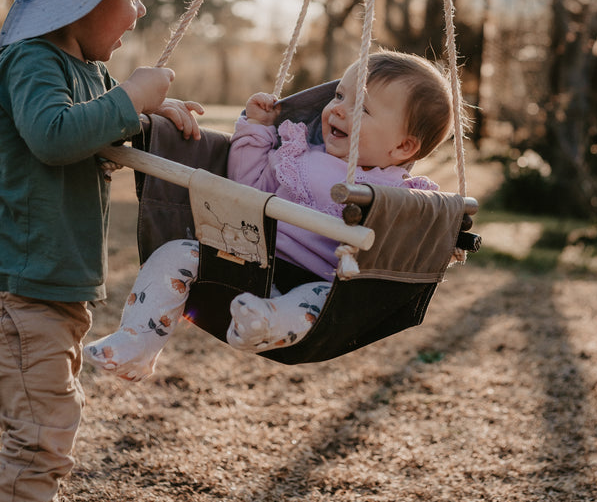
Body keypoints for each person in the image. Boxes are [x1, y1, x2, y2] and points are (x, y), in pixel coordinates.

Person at [0, 0, 202, 502]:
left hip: (56, 289)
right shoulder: (29, 63)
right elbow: (55, 137)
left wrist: (154, 114)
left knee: (42, 427)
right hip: (22, 291)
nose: (139, 11)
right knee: (40, 434)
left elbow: (98, 126)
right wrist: (132, 96)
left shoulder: (76, 67)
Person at [85, 50, 453, 378]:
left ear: (403, 146)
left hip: (324, 282)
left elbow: (416, 236)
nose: (337, 108)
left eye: (362, 108)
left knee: (314, 302)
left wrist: (444, 234)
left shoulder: (400, 193)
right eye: (340, 95)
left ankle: (266, 323)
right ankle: (138, 341)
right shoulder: (297, 153)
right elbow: (246, 188)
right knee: (176, 254)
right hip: (252, 262)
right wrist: (257, 131)